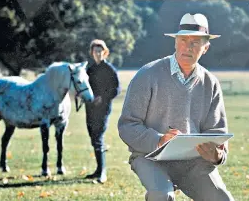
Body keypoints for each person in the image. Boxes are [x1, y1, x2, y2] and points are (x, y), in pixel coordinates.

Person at [118, 13, 235, 201]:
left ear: (206, 47)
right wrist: (159, 140)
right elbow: (127, 126)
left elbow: (217, 131)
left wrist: (217, 154)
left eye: (195, 42)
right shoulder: (147, 75)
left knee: (222, 199)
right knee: (161, 195)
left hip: (193, 162)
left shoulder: (210, 83)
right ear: (175, 42)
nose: (187, 47)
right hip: (150, 157)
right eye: (183, 40)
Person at [85, 39, 121, 183]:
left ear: (105, 52)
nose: (98, 53)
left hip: (103, 109)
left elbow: (116, 89)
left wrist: (102, 98)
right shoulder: (90, 69)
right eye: (95, 51)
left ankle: (102, 173)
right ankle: (98, 170)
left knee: (98, 137)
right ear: (92, 53)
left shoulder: (110, 69)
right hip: (90, 109)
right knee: (94, 138)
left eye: (100, 51)